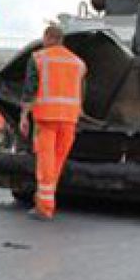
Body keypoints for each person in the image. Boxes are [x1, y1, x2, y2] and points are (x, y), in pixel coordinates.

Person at [19, 24, 86, 220]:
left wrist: (24, 116)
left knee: (46, 162)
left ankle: (44, 207)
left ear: (48, 37)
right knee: (56, 162)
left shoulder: (38, 58)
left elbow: (30, 89)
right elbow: (82, 93)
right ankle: (45, 199)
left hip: (46, 118)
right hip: (69, 119)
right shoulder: (78, 63)